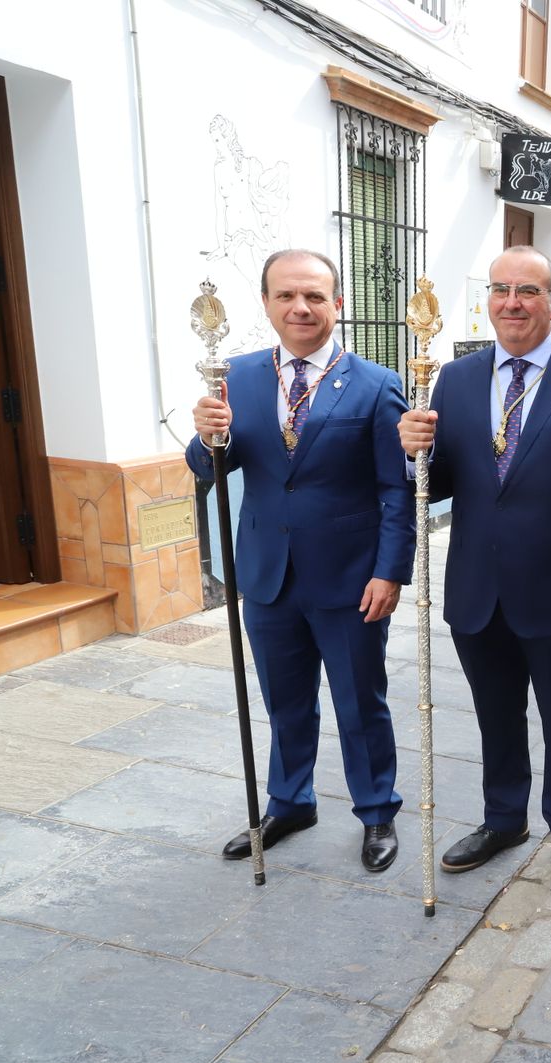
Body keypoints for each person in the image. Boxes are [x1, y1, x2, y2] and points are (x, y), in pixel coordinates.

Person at [396, 247, 551, 894]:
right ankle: (503, 818)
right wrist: (411, 450)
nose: (512, 302)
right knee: (495, 714)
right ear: (489, 301)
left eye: (528, 290)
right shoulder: (457, 379)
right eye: (502, 289)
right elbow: (441, 480)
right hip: (477, 587)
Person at [187, 249, 412, 873]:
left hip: (349, 577)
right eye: (286, 296)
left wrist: (390, 570)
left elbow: (397, 489)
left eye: (314, 296)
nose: (301, 307)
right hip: (266, 575)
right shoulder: (236, 376)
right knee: (285, 699)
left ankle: (376, 810)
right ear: (266, 304)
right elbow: (210, 466)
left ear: (338, 305)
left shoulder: (375, 384)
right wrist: (207, 435)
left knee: (359, 701)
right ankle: (290, 801)